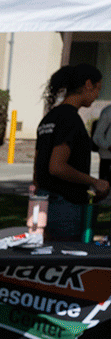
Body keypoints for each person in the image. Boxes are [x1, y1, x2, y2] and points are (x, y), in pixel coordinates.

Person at [33, 63, 107, 242]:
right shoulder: (70, 119)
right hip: (64, 205)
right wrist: (94, 182)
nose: (97, 95)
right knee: (66, 258)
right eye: (98, 88)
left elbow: (38, 169)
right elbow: (57, 167)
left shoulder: (49, 118)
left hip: (44, 201)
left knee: (49, 256)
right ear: (88, 84)